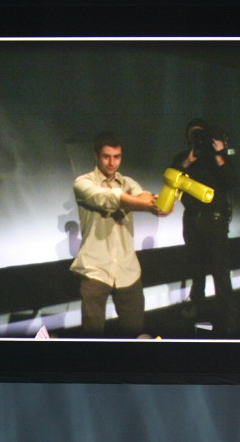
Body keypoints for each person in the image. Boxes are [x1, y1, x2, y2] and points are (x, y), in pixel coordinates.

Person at [70, 131, 168, 337]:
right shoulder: (83, 183)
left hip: (127, 268)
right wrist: (145, 205)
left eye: (117, 157)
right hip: (95, 268)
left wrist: (155, 202)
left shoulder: (127, 182)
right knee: (93, 336)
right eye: (106, 156)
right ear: (96, 155)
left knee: (135, 332)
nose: (112, 162)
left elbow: (140, 194)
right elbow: (110, 198)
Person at [171, 118, 238, 334]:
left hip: (215, 221)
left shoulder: (217, 159)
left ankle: (227, 315)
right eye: (193, 134)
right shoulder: (184, 158)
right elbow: (171, 177)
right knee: (196, 270)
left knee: (220, 270)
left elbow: (231, 181)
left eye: (201, 133)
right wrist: (188, 160)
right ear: (188, 138)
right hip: (192, 220)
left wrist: (219, 154)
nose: (197, 137)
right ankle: (197, 308)